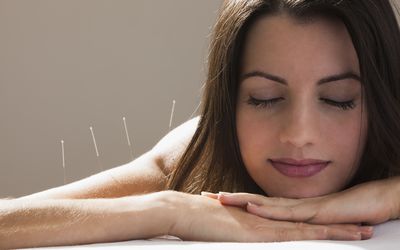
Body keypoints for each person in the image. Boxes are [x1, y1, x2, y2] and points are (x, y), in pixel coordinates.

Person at [1, 0, 400, 248]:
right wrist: (166, 209)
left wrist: (390, 194)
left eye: (338, 100)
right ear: (229, 101)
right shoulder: (198, 150)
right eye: (265, 99)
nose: (299, 134)